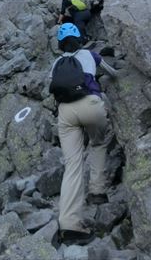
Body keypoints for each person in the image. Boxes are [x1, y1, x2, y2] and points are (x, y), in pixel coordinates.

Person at [49, 23, 117, 245]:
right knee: (99, 143)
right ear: (79, 38)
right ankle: (97, 191)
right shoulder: (89, 55)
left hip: (65, 113)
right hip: (91, 104)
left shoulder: (56, 63)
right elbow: (112, 72)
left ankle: (69, 224)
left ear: (60, 44)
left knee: (73, 164)